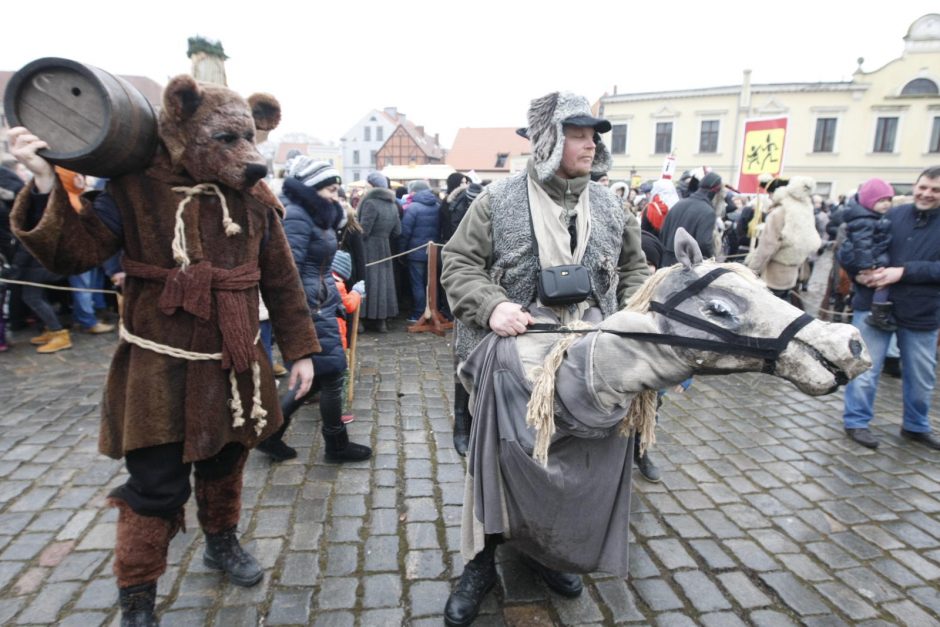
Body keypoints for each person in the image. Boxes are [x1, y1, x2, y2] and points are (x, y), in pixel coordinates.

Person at [8, 76, 317, 626]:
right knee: (154, 486)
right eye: (226, 140)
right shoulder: (133, 188)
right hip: (157, 369)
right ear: (185, 126)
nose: (247, 156)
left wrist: (301, 351)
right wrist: (40, 179)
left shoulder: (256, 202)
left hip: (233, 365)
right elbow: (70, 253)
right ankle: (138, 599)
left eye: (247, 139)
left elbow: (283, 281)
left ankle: (221, 542)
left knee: (226, 462)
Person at [440, 91, 650, 627]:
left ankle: (547, 550)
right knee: (494, 465)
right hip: (506, 362)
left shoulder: (611, 205)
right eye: (579, 133)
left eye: (593, 135)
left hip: (587, 365)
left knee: (570, 466)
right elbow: (459, 263)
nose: (590, 144)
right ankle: (482, 562)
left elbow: (635, 270)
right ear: (550, 139)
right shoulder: (498, 199)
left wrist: (628, 317)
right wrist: (492, 305)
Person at [256, 158, 371, 464]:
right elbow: (286, 270)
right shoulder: (297, 216)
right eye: (330, 189)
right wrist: (312, 303)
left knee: (317, 378)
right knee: (333, 374)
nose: (335, 195)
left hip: (319, 300)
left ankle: (271, 435)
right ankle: (336, 446)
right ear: (312, 188)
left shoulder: (314, 215)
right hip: (311, 306)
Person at [841, 167, 940, 451]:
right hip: (873, 304)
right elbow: (852, 248)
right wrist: (858, 272)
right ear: (915, 186)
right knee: (864, 369)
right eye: (923, 187)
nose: (927, 194)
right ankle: (856, 421)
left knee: (921, 375)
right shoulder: (891, 215)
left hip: (921, 310)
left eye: (935, 190)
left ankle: (916, 425)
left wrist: (904, 271)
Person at [745, 177, 821, 302]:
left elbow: (767, 248)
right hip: (792, 275)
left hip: (772, 276)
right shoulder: (806, 211)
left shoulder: (779, 213)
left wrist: (751, 271)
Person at [837, 178, 895, 330]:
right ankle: (878, 312)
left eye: (889, 200)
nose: (886, 204)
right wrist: (868, 267)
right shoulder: (866, 220)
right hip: (865, 262)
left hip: (868, 258)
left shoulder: (872, 217)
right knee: (881, 282)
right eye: (881, 200)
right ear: (870, 202)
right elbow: (862, 245)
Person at [358, 171, 401, 332]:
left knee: (367, 282)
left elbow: (364, 230)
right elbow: (398, 231)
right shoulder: (392, 204)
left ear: (373, 186)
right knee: (384, 284)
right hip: (385, 247)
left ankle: (361, 321)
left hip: (369, 248)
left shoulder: (370, 203)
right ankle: (381, 322)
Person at [659, 171, 723, 265]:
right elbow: (704, 244)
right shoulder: (708, 212)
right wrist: (713, 261)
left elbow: (662, 233)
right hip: (687, 267)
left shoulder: (679, 204)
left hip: (665, 262)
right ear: (715, 193)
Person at [399, 181, 440, 322]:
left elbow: (405, 232)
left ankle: (418, 314)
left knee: (417, 284)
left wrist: (402, 251)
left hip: (416, 253)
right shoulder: (437, 206)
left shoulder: (413, 208)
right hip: (434, 252)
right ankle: (434, 310)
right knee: (432, 283)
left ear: (414, 192)